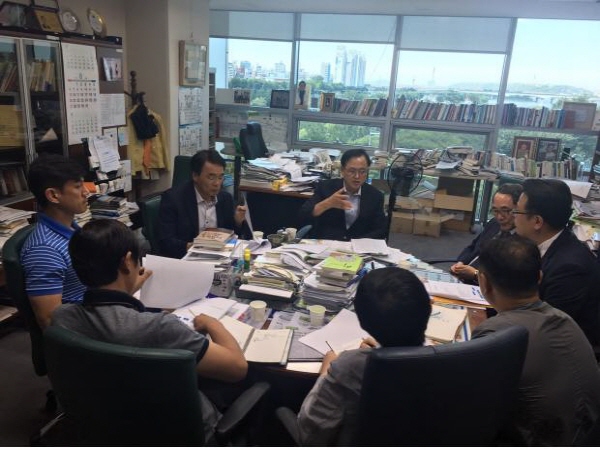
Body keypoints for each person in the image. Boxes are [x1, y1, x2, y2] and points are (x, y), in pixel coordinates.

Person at [51, 219, 248, 443]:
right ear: (127, 261)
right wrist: (213, 324)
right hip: (182, 432)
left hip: (108, 429)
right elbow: (237, 368)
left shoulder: (62, 318)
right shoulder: (160, 328)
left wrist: (127, 288)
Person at [472, 235, 600, 445]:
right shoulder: (564, 319)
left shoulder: (497, 334)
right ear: (539, 277)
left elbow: (471, 405)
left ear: (483, 283)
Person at [296, 267, 431, 445]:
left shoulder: (350, 367)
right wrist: (383, 348)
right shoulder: (450, 359)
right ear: (428, 308)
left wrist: (326, 371)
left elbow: (310, 434)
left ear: (362, 321)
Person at [512, 178, 600, 346]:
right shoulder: (544, 244)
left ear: (537, 221)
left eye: (517, 211)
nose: (513, 216)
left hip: (559, 349)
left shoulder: (570, 268)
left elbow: (545, 328)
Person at [21, 154, 89, 329]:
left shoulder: (73, 229)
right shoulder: (44, 250)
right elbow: (50, 322)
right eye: (78, 187)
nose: (86, 192)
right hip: (89, 332)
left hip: (103, 312)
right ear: (53, 195)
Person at [158, 149, 252, 259]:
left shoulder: (225, 198)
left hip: (220, 259)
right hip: (185, 260)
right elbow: (165, 241)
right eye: (211, 177)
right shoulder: (173, 199)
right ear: (195, 176)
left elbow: (233, 236)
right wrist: (193, 247)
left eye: (220, 177)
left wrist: (237, 222)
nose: (217, 183)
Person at [298, 148, 386, 241]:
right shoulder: (326, 187)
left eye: (362, 171)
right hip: (327, 244)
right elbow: (303, 216)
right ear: (342, 171)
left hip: (358, 247)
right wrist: (328, 203)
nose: (357, 176)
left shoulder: (375, 196)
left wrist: (358, 243)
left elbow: (380, 230)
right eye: (352, 171)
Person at [451, 183, 523, 283]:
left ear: (518, 209)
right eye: (495, 211)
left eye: (505, 211)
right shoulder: (494, 223)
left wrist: (475, 274)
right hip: (462, 278)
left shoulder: (522, 241)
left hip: (482, 287)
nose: (500, 217)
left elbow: (507, 280)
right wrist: (460, 262)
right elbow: (473, 246)